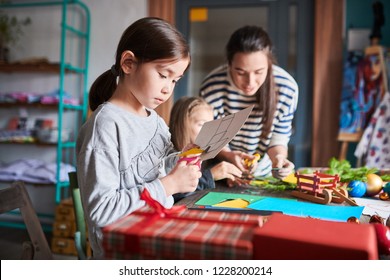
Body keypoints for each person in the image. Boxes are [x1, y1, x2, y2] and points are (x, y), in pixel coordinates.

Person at [76, 17, 202, 259]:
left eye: (175, 80)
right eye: (164, 75)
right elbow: (102, 211)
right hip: (125, 253)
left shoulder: (154, 120)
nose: (168, 88)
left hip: (158, 234)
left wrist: (182, 162)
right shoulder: (105, 125)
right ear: (128, 63)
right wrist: (170, 184)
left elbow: (158, 174)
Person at [199, 25, 298, 181]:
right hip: (225, 173)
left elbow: (279, 136)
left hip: (264, 175)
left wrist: (278, 158)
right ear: (229, 64)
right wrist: (228, 155)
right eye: (240, 72)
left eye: (259, 72)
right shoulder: (212, 87)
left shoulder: (286, 88)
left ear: (270, 64)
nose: (250, 82)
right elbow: (212, 139)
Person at [168, 96, 243, 201]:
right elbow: (176, 194)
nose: (209, 132)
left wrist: (225, 177)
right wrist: (211, 175)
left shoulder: (202, 154)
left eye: (211, 126)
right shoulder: (170, 158)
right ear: (181, 124)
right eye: (201, 125)